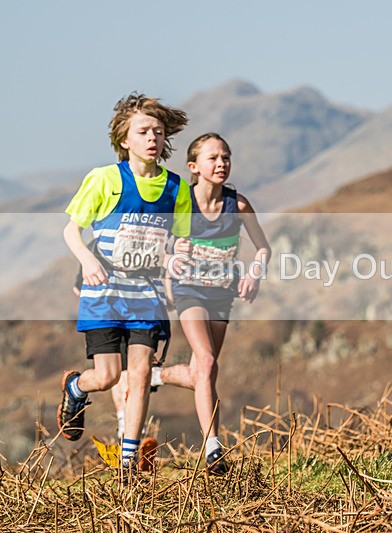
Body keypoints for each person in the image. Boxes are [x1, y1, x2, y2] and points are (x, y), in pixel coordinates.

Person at [59, 93, 192, 475]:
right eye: (143, 131)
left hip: (145, 295)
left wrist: (179, 257)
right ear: (124, 140)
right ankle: (76, 388)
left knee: (140, 374)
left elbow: (179, 242)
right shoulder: (105, 179)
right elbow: (72, 230)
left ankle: (129, 460)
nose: (153, 138)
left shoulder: (176, 190)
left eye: (159, 132)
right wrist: (86, 261)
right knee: (107, 377)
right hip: (104, 294)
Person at [154, 132, 270, 475]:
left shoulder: (239, 204)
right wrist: (172, 256)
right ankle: (213, 448)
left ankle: (153, 375)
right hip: (188, 290)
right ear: (194, 167)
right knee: (206, 360)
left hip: (222, 292)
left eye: (226, 157)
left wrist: (255, 273)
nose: (221, 164)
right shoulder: (179, 203)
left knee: (202, 371)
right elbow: (157, 246)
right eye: (213, 158)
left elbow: (263, 246)